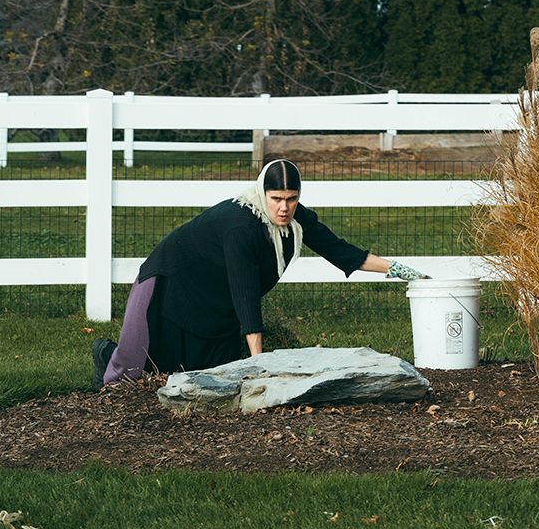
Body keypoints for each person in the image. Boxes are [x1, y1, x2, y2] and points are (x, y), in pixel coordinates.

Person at [91, 158, 427, 388]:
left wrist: (401, 270)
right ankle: (105, 353)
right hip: (171, 280)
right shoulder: (241, 226)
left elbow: (343, 252)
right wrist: (259, 365)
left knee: (191, 373)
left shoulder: (297, 219)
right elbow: (245, 292)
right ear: (262, 193)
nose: (284, 207)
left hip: (212, 299)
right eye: (276, 198)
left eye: (292, 199)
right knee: (131, 371)